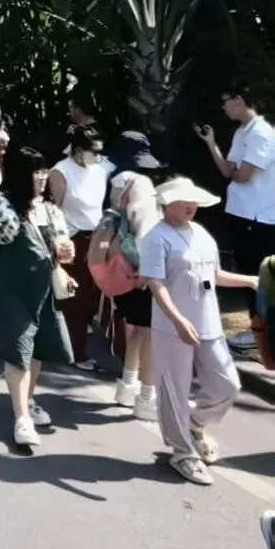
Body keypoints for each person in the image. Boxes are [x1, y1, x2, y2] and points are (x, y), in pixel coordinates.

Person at [140, 176, 258, 486]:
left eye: (192, 201)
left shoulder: (202, 233)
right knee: (174, 390)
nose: (189, 206)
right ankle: (182, 452)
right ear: (166, 204)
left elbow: (214, 274)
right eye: (181, 201)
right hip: (172, 327)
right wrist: (178, 320)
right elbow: (155, 284)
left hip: (209, 322)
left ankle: (195, 422)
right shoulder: (156, 237)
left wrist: (250, 280)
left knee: (227, 384)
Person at [0, 145, 75, 448]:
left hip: (42, 289)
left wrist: (66, 254)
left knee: (38, 350)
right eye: (36, 172)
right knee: (19, 351)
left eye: (44, 171)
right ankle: (21, 418)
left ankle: (28, 400)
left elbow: (62, 250)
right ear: (22, 174)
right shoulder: (0, 204)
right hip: (9, 289)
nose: (42, 177)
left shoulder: (50, 209)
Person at [196, 84, 275, 320]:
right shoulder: (241, 132)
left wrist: (235, 171)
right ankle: (258, 326)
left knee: (260, 278)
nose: (224, 107)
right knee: (248, 276)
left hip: (258, 217)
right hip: (241, 213)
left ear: (238, 100)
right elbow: (228, 171)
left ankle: (264, 327)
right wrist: (211, 143)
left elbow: (242, 176)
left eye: (226, 101)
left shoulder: (260, 133)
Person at [105, 137, 164, 420]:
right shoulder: (141, 183)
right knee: (150, 333)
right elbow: (144, 227)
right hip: (141, 268)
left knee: (136, 329)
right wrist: (149, 270)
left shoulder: (116, 182)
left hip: (121, 267)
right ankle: (146, 397)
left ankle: (127, 386)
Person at [48, 125, 114, 370]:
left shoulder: (100, 170)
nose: (97, 156)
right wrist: (57, 246)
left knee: (94, 296)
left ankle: (79, 345)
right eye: (93, 151)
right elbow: (55, 210)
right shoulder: (61, 171)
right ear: (77, 150)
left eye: (99, 151)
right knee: (75, 298)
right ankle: (77, 353)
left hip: (98, 237)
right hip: (72, 239)